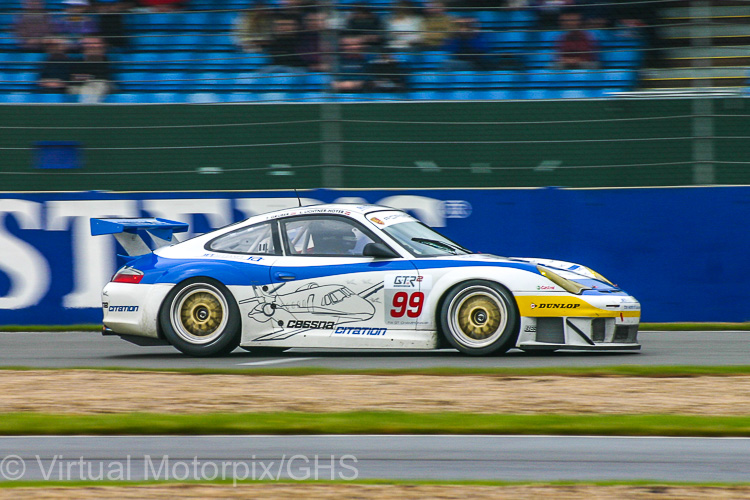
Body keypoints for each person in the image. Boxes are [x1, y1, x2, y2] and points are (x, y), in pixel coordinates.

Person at [70, 36, 112, 102]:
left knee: (95, 85)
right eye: (88, 45)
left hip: (101, 86)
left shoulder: (108, 61)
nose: (92, 47)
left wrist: (87, 77)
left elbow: (104, 78)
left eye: (94, 45)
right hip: (79, 87)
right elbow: (73, 78)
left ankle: (87, 109)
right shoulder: (77, 61)